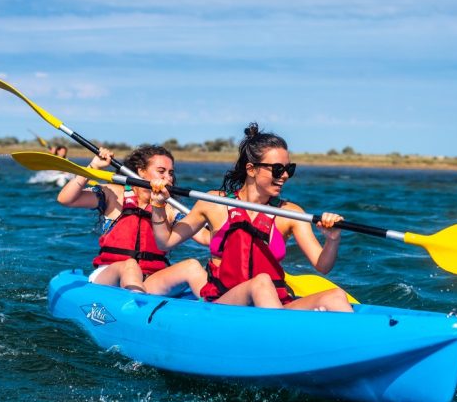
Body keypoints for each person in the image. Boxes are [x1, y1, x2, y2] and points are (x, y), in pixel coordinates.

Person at [149, 123, 353, 312]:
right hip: (224, 305)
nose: (284, 176)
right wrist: (158, 205)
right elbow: (165, 242)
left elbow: (323, 266)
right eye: (278, 169)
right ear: (251, 169)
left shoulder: (290, 213)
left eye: (289, 169)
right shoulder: (213, 203)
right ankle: (282, 340)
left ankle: (360, 345)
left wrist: (332, 238)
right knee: (261, 282)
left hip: (274, 305)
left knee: (335, 297)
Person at [57, 145, 207, 296]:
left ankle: (217, 310)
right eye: (161, 171)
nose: (168, 178)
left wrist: (217, 216)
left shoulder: (170, 208)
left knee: (192, 266)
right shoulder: (114, 194)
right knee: (130, 266)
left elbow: (205, 237)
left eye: (171, 173)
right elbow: (66, 199)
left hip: (150, 280)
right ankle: (136, 308)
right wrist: (93, 166)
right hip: (110, 276)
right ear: (141, 171)